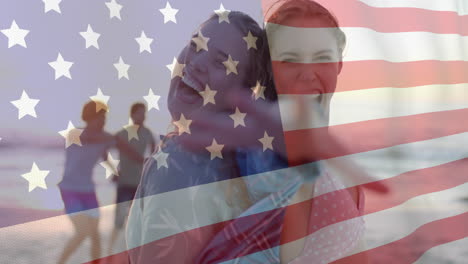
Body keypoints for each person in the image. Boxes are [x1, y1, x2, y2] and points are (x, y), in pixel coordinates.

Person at [126, 11, 271, 263]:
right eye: (196, 45)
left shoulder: (181, 162)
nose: (197, 62)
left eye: (221, 63)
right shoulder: (242, 162)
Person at [57, 100, 144, 264]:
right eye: (100, 117)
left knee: (95, 235)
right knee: (82, 232)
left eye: (105, 117)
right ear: (89, 117)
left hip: (88, 191)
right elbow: (90, 138)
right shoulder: (74, 133)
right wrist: (111, 139)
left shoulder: (105, 138)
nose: (104, 121)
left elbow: (110, 154)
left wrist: (117, 170)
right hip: (69, 190)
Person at [108, 102, 157, 255]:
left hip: (139, 184)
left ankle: (136, 254)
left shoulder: (148, 133)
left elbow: (156, 155)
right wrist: (113, 171)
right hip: (124, 183)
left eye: (145, 113)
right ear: (132, 114)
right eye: (140, 113)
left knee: (139, 221)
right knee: (119, 222)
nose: (143, 116)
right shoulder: (122, 133)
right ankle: (109, 252)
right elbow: (104, 149)